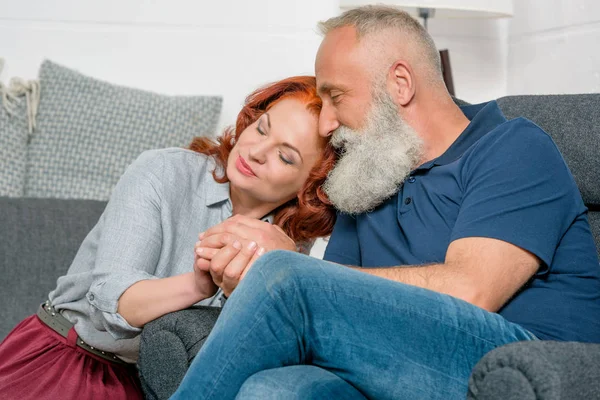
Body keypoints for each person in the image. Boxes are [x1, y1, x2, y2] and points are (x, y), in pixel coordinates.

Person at [170, 5, 600, 400]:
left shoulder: (512, 147)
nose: (327, 123)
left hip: (522, 357)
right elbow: (343, 302)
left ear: (400, 83)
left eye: (335, 97)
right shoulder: (367, 174)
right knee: (276, 389)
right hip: (398, 361)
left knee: (285, 275)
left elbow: (472, 289)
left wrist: (291, 271)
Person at [0, 76, 338, 400]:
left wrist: (259, 284)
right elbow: (113, 301)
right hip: (63, 362)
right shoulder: (163, 171)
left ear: (310, 187)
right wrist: (199, 284)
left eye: (285, 156)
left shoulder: (285, 240)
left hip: (148, 384)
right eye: (261, 127)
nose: (256, 151)